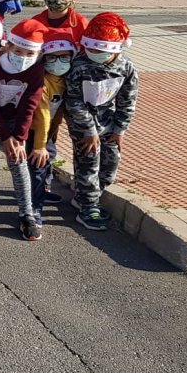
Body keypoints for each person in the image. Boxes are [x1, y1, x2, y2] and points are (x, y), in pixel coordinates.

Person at [65, 12, 139, 232]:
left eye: (101, 50)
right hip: (83, 124)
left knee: (110, 161)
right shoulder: (78, 66)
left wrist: (120, 129)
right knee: (88, 161)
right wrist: (89, 130)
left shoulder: (126, 69)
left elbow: (128, 100)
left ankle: (91, 194)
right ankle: (88, 206)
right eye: (92, 49)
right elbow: (74, 101)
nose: (95, 54)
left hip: (109, 121)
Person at [0, 19, 49, 241]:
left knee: (18, 161)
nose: (23, 57)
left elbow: (29, 105)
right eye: (19, 51)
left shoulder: (36, 70)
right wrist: (4, 135)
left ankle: (27, 214)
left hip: (14, 123)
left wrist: (17, 138)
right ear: (8, 46)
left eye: (30, 53)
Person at [29, 29, 76, 224]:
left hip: (48, 131)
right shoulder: (43, 82)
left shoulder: (67, 79)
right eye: (52, 58)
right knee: (38, 166)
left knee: (49, 159)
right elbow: (43, 115)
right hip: (34, 131)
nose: (58, 62)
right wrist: (39, 145)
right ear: (44, 58)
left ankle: (43, 192)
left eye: (64, 57)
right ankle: (34, 207)